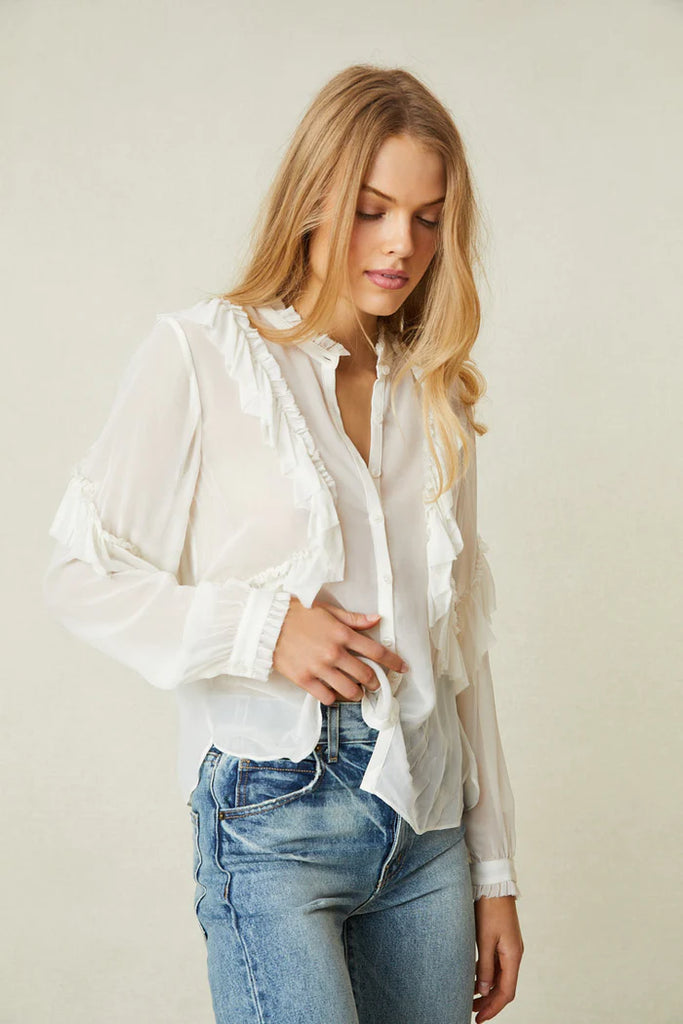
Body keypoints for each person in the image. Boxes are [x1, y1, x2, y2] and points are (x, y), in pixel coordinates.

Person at [43, 64, 524, 1024]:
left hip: (426, 830)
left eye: (428, 218)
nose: (401, 244)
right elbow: (79, 576)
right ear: (313, 200)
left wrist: (495, 870)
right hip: (272, 818)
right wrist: (263, 629)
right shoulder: (201, 354)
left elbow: (460, 655)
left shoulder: (432, 394)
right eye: (372, 210)